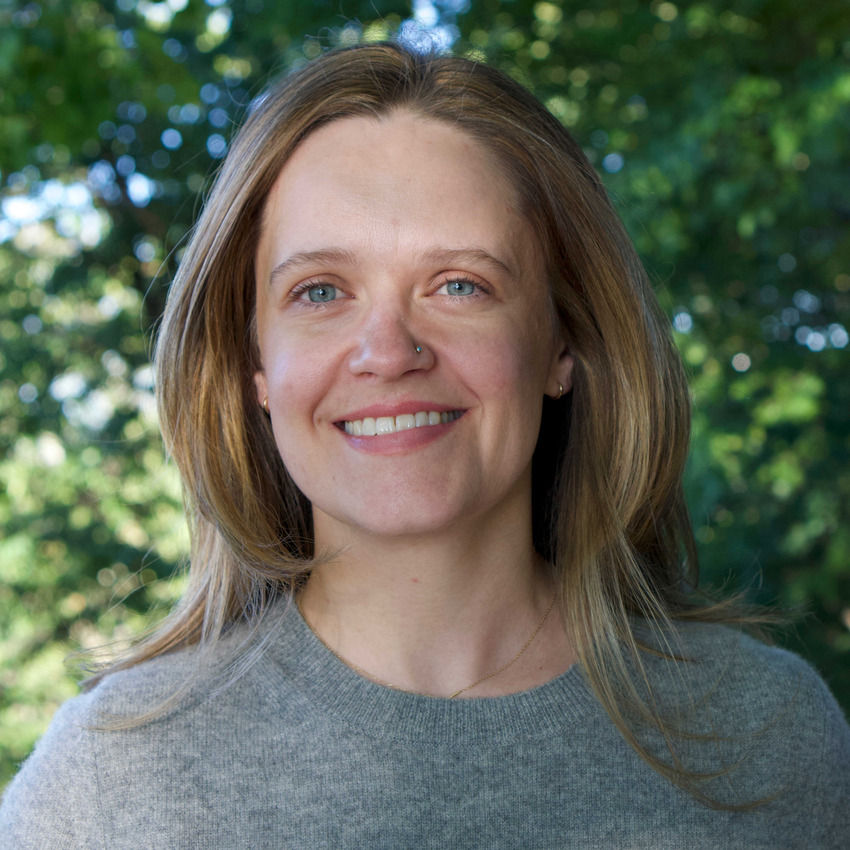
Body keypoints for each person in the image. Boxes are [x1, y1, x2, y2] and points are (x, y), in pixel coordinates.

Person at [1, 41, 848, 848]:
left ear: (563, 344)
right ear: (253, 362)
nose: (389, 351)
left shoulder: (769, 740)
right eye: (321, 290)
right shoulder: (112, 779)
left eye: (460, 284)